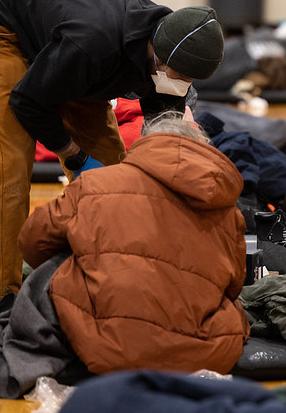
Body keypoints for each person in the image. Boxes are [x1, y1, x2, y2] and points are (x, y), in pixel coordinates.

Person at [0, 0, 225, 310]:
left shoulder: (169, 54)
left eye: (192, 80)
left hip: (68, 56)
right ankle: (1, 300)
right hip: (3, 31)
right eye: (182, 76)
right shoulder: (92, 44)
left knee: (118, 178)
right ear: (159, 57)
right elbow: (27, 101)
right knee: (11, 170)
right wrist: (74, 155)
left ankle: (109, 276)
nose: (184, 85)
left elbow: (163, 132)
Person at [17, 111, 250, 375]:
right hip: (204, 355)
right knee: (232, 306)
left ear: (146, 144)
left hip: (105, 348)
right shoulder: (227, 209)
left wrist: (87, 256)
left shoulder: (95, 184)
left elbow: (30, 241)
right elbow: (235, 284)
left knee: (58, 268)